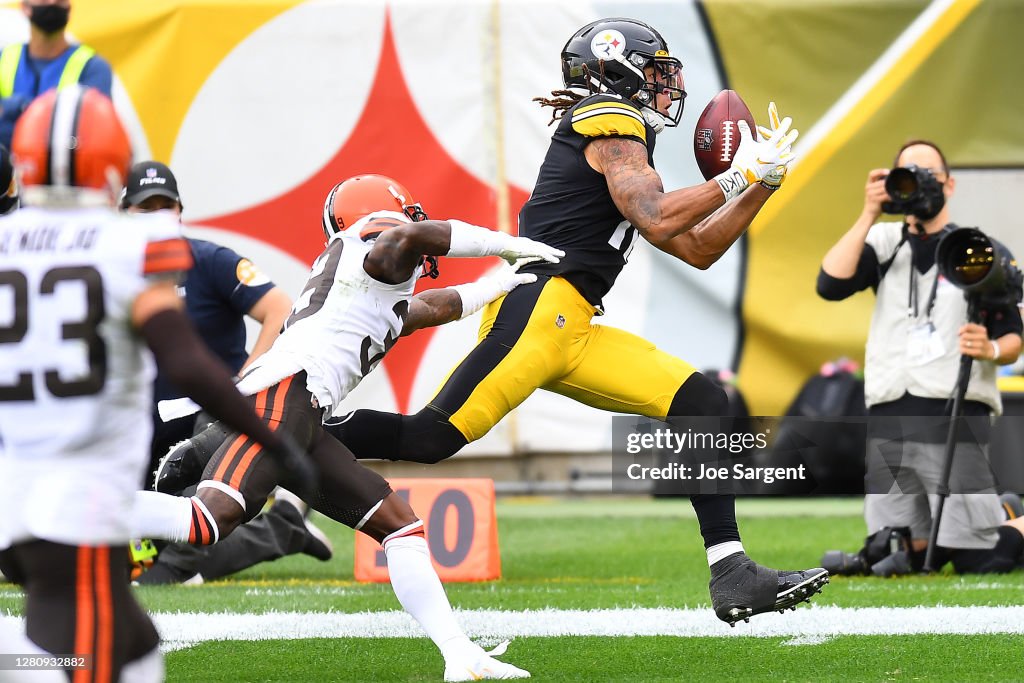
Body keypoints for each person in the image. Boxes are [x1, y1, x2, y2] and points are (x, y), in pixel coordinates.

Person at [326, 18, 828, 625]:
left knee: (703, 402)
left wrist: (763, 186)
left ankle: (732, 572)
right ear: (615, 69)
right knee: (430, 438)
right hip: (538, 309)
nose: (667, 86)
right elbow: (658, 218)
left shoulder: (620, 132)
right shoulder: (609, 119)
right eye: (657, 70)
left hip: (574, 323)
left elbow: (696, 249)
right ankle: (268, 426)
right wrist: (737, 175)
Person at [132, 173, 562, 680]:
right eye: (404, 216)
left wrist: (492, 285)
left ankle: (459, 654)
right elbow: (405, 237)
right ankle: (76, 502)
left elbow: (422, 310)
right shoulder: (373, 241)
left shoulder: (368, 285)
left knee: (401, 527)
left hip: (302, 412)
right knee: (209, 520)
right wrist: (503, 244)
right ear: (378, 215)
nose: (414, 227)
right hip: (283, 399)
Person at [0, 86, 311, 682]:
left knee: (137, 649)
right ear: (112, 171)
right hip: (77, 488)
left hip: (26, 476)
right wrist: (272, 439)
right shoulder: (127, 247)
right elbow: (190, 362)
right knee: (74, 656)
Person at [817, 139, 1024, 574]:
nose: (917, 181)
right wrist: (869, 212)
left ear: (949, 184)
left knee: (982, 561)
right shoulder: (882, 240)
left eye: (926, 172)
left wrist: (989, 349)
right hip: (890, 409)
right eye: (906, 173)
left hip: (953, 410)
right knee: (899, 554)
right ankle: (989, 511)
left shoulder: (976, 247)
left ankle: (1009, 518)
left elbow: (1012, 335)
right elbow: (829, 285)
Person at [120, 161, 293, 475]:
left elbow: (279, 309)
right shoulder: (107, 270)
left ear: (180, 211)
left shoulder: (210, 261)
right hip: (132, 429)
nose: (158, 216)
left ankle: (287, 514)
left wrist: (245, 384)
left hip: (206, 425)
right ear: (123, 212)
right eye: (146, 208)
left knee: (198, 516)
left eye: (166, 206)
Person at [0, 0, 113, 149]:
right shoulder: (5, 58)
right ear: (25, 7)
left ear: (69, 9)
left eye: (60, 0)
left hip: (62, 166)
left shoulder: (92, 67)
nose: (52, 3)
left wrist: (15, 106)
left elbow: (91, 132)